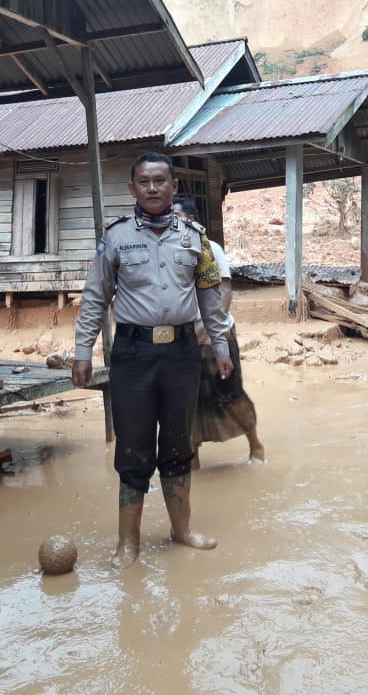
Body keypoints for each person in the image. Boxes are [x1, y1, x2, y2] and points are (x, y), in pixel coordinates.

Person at [72, 152, 234, 569]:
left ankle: (182, 530)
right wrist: (82, 351)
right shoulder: (116, 238)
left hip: (181, 354)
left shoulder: (194, 238)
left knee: (180, 442)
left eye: (161, 181)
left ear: (174, 187)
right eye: (144, 182)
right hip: (133, 354)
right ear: (132, 189)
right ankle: (129, 543)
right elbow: (95, 297)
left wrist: (220, 346)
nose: (153, 188)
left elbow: (209, 298)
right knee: (133, 447)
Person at [172, 197, 265, 465]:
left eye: (176, 216)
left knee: (231, 395)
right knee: (188, 405)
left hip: (215, 338)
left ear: (191, 219)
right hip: (184, 342)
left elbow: (224, 291)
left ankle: (256, 446)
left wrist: (215, 335)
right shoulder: (169, 252)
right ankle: (193, 461)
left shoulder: (210, 248)